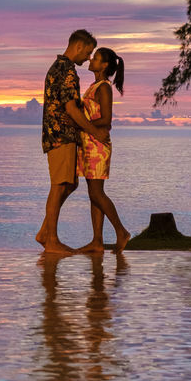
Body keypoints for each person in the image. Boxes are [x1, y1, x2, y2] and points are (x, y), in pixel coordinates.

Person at [37, 29, 109, 255]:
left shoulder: (57, 67)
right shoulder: (67, 70)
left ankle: (44, 232)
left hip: (60, 134)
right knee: (59, 186)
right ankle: (51, 240)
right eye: (87, 53)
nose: (88, 58)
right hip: (61, 135)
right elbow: (71, 109)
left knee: (70, 184)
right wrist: (94, 132)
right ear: (78, 46)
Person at [76, 47, 130, 253]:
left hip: (97, 144)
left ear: (104, 65)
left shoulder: (104, 88)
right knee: (94, 193)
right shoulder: (95, 86)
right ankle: (97, 241)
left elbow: (106, 120)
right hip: (89, 142)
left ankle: (121, 232)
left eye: (96, 58)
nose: (91, 59)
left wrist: (82, 121)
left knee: (97, 193)